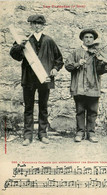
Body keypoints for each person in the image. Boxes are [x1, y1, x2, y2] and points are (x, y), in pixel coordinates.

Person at [10, 15, 64, 146]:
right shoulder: (25, 40)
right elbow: (15, 56)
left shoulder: (49, 41)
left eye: (39, 24)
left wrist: (55, 69)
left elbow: (59, 59)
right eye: (34, 24)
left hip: (44, 78)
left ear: (43, 25)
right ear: (30, 25)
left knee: (43, 107)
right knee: (28, 107)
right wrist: (19, 46)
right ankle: (27, 136)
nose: (36, 26)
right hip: (29, 79)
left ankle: (42, 134)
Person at [65, 29, 107, 143]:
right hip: (79, 87)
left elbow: (101, 71)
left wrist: (102, 63)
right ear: (82, 39)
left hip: (93, 86)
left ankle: (91, 133)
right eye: (86, 37)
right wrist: (77, 64)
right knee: (80, 110)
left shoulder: (96, 53)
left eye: (91, 37)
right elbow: (68, 66)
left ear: (93, 40)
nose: (88, 39)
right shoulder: (75, 52)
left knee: (93, 111)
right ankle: (80, 132)